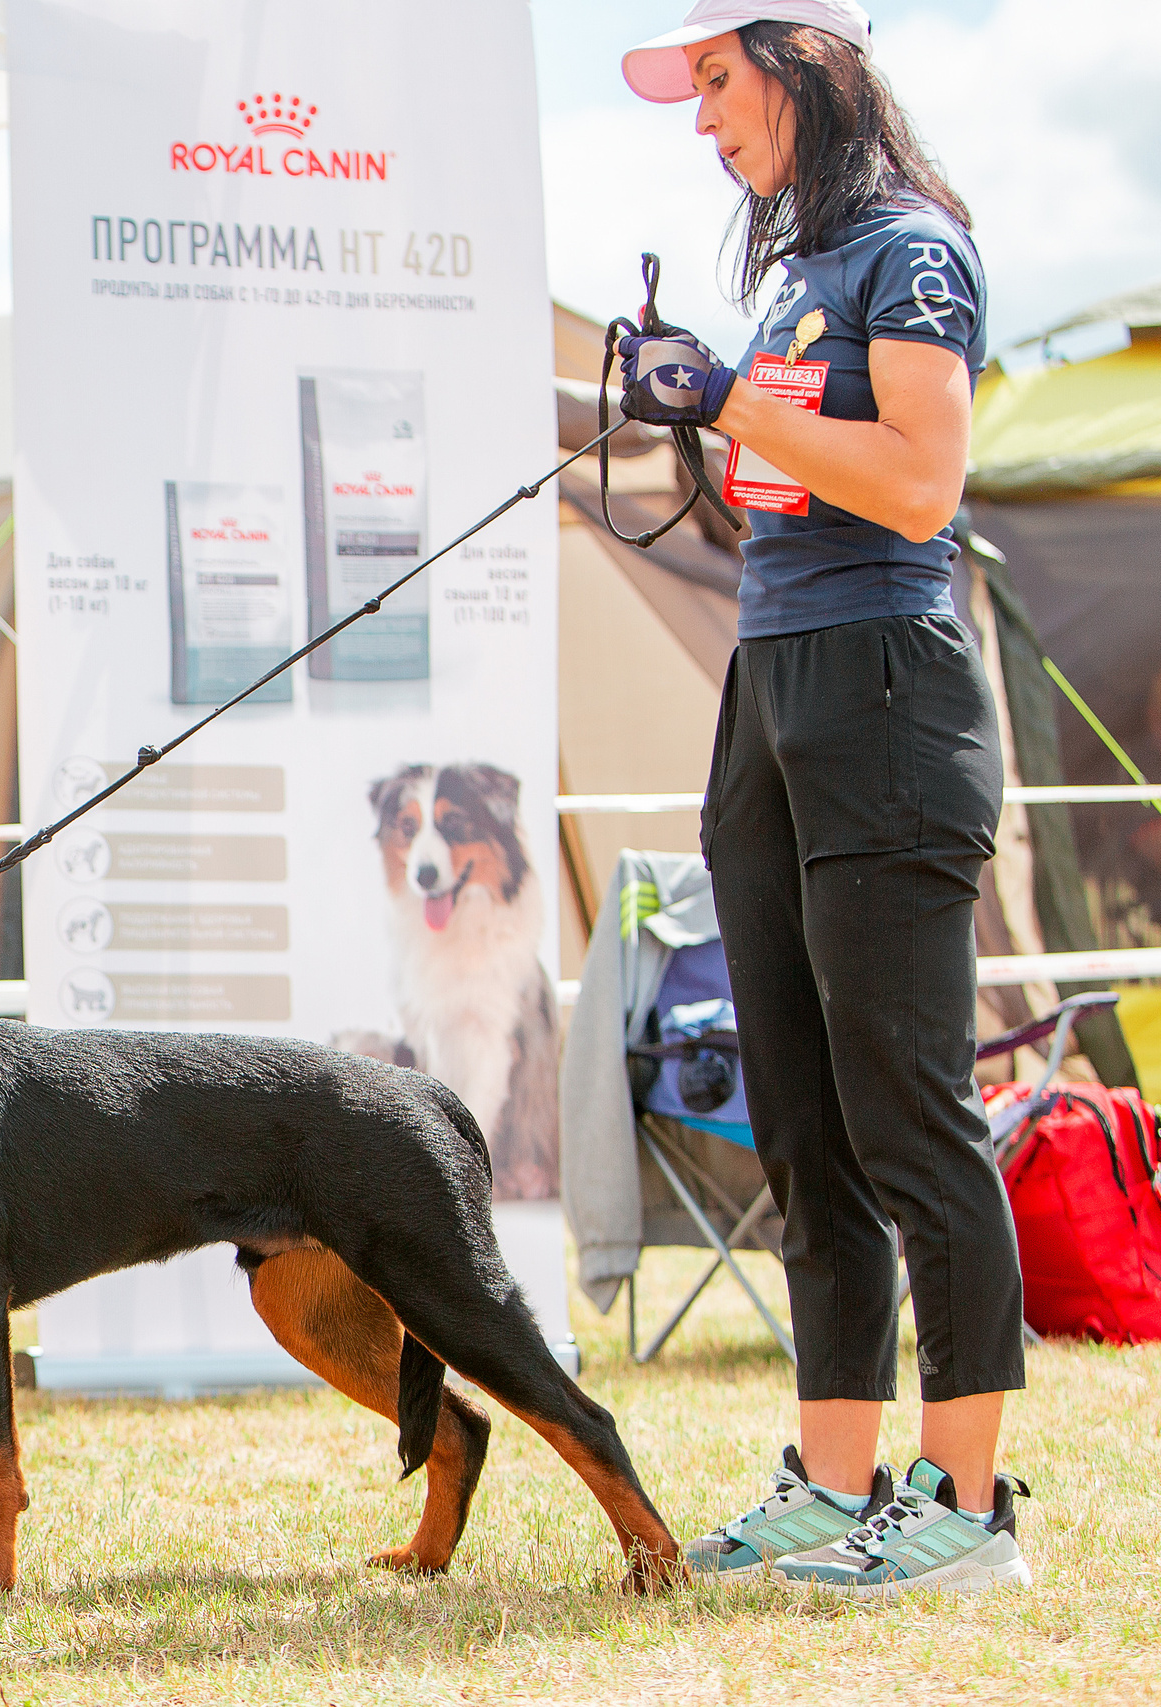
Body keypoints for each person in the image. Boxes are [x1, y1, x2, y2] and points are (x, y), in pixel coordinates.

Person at [616, 1, 1027, 1596]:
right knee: (802, 1116)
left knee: (910, 1108)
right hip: (773, 680)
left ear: (802, 66)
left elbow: (922, 479)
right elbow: (788, 474)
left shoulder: (910, 250)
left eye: (718, 78)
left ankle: (970, 1503)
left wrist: (727, 399)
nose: (704, 118)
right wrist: (696, 409)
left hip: (886, 690)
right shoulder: (797, 269)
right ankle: (836, 1476)